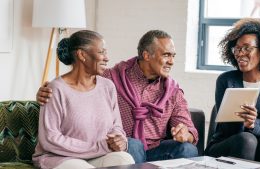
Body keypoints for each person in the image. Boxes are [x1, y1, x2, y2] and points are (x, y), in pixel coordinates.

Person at [36, 30, 199, 163]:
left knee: (188, 148)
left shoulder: (173, 91)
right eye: (166, 55)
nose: (171, 61)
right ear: (147, 55)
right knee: (133, 145)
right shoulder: (112, 78)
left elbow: (187, 126)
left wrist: (186, 134)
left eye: (173, 56)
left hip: (156, 150)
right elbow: (80, 82)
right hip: (125, 147)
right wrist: (44, 92)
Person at [32, 30, 134, 169]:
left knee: (124, 159)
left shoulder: (108, 86)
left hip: (97, 155)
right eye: (101, 52)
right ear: (82, 54)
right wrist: (98, 146)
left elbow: (116, 126)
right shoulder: (55, 89)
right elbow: (50, 139)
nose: (107, 58)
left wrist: (119, 139)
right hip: (60, 157)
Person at [204, 18, 260, 169]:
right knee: (247, 139)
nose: (240, 53)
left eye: (246, 48)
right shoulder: (226, 80)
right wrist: (244, 125)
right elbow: (226, 129)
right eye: (237, 49)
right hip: (227, 145)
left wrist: (253, 124)